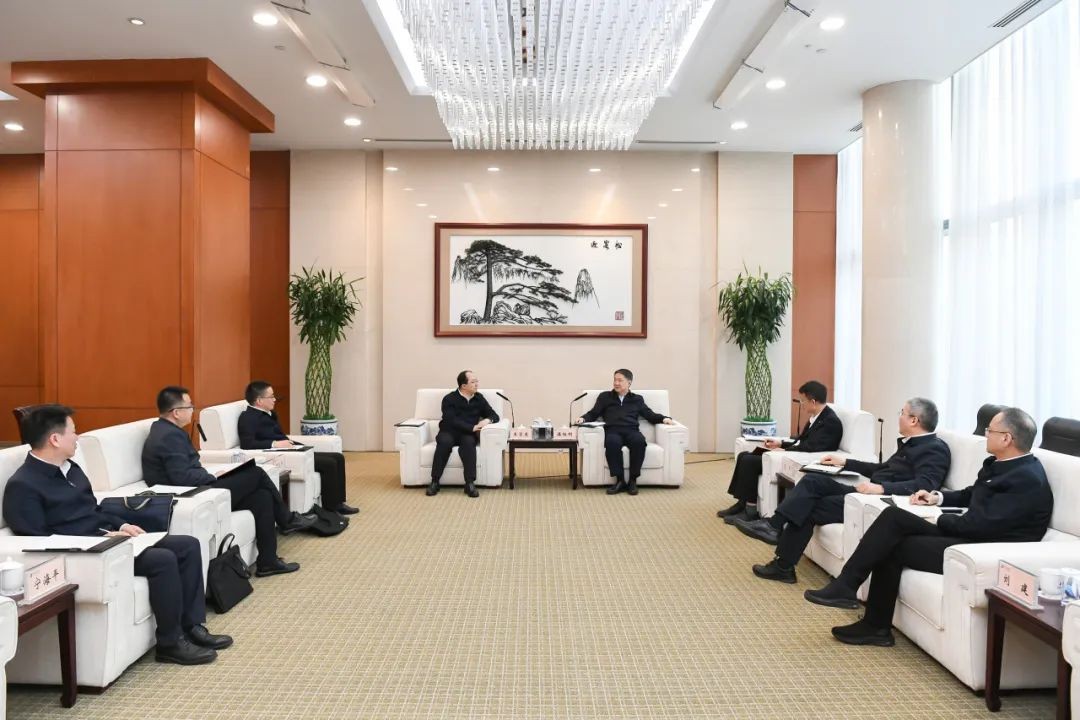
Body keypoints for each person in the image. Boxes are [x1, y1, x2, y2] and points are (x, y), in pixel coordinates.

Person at [3, 405, 232, 665]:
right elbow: (38, 541)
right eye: (73, 432)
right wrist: (101, 540)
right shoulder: (23, 485)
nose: (78, 438)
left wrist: (122, 525)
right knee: (163, 559)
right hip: (88, 555)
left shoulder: (71, 469)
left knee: (187, 545)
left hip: (109, 540)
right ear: (55, 439)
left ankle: (193, 627)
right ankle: (170, 643)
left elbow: (94, 510)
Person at [804, 407, 1052, 647]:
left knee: (893, 544)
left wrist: (938, 519)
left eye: (990, 431)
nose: (986, 434)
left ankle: (874, 625)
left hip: (982, 547)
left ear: (1006, 438)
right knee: (893, 517)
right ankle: (848, 588)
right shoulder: (999, 464)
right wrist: (937, 498)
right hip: (969, 532)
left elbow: (983, 526)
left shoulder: (1026, 479)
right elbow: (971, 494)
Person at [737, 397, 950, 583]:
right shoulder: (910, 444)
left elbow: (925, 485)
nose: (899, 417)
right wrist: (845, 462)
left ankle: (782, 564)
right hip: (864, 492)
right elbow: (881, 469)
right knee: (813, 480)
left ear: (914, 420)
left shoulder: (934, 449)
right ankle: (774, 527)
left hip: (875, 501)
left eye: (902, 413)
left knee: (810, 505)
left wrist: (880, 488)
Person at [142, 386, 311, 577]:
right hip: (192, 493)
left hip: (198, 486)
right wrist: (213, 476)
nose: (192, 410)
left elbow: (185, 470)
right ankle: (287, 519)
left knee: (262, 497)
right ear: (176, 412)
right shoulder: (169, 436)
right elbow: (182, 478)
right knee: (256, 473)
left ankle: (268, 561)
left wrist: (214, 473)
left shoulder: (166, 430)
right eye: (189, 406)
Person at [717, 380, 843, 523]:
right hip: (796, 452)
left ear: (813, 402)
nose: (801, 404)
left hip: (803, 458)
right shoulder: (817, 416)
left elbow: (812, 447)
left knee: (750, 461)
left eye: (803, 401)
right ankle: (742, 503)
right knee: (743, 456)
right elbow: (802, 441)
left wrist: (784, 450)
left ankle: (750, 511)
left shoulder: (830, 422)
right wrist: (780, 443)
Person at [237, 381, 358, 516]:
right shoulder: (247, 417)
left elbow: (280, 435)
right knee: (329, 463)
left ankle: (339, 503)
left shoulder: (270, 413)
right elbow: (247, 444)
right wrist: (274, 444)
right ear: (259, 401)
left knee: (338, 457)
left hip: (292, 449)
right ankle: (331, 508)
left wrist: (295, 444)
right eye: (271, 397)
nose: (274, 399)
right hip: (283, 455)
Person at [576, 369, 675, 496]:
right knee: (612, 443)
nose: (616, 383)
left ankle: (633, 481)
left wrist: (664, 419)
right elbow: (593, 413)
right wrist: (583, 418)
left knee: (639, 442)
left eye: (620, 380)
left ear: (629, 382)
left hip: (631, 430)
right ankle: (620, 481)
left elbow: (649, 414)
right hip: (613, 430)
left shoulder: (637, 399)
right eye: (615, 380)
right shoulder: (605, 397)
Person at [427, 370, 500, 498]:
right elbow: (451, 420)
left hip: (467, 434)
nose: (477, 384)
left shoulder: (479, 398)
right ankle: (435, 481)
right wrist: (472, 427)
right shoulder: (449, 399)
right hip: (449, 431)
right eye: (473, 382)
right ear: (463, 385)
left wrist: (487, 420)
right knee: (444, 443)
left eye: (477, 381)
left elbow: (494, 415)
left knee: (469, 444)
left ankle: (469, 483)